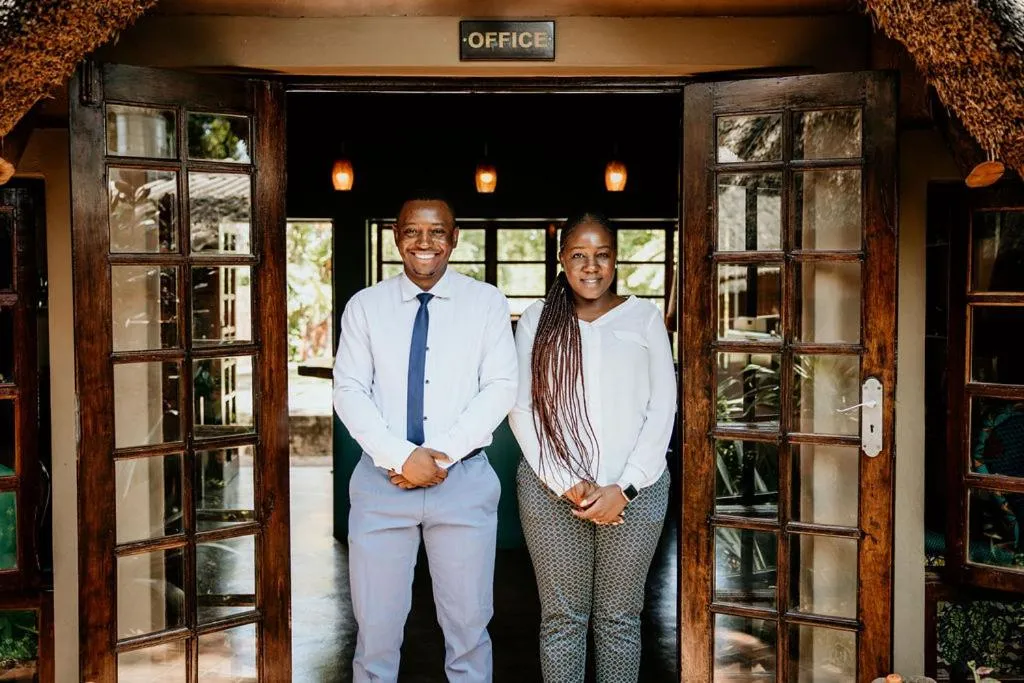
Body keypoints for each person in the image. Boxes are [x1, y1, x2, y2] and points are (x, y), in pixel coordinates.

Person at [333, 192, 517, 682]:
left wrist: (441, 457)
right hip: (380, 486)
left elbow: (501, 386)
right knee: (374, 635)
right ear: (396, 237)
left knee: (469, 631)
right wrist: (400, 456)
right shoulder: (365, 307)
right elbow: (348, 390)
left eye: (437, 231)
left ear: (454, 239)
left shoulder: (486, 303)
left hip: (464, 483)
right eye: (413, 230)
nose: (425, 242)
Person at [509, 212, 676, 683]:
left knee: (618, 620)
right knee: (563, 620)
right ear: (562, 259)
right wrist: (567, 484)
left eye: (602, 254)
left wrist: (623, 488)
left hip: (635, 495)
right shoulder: (539, 320)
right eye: (579, 255)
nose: (591, 266)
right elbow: (522, 409)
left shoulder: (643, 318)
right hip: (553, 493)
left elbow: (663, 408)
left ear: (615, 259)